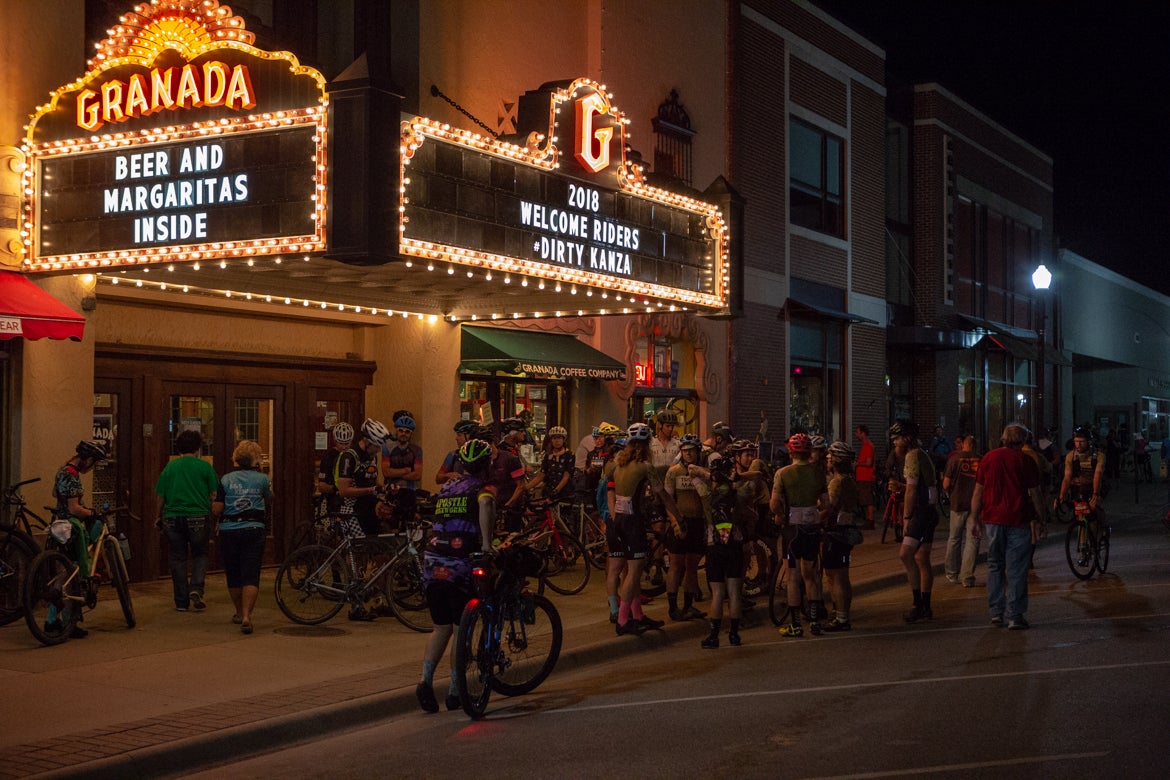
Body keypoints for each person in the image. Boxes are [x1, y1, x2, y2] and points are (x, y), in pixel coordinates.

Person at [415, 438, 497, 713]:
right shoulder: (481, 489)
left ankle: (425, 680)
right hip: (460, 564)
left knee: (440, 627)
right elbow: (485, 507)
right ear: (485, 465)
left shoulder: (448, 487)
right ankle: (454, 691)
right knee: (461, 629)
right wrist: (486, 544)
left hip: (432, 562)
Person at [607, 422, 680, 635]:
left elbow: (610, 495)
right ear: (646, 444)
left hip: (618, 521)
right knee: (634, 571)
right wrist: (677, 516)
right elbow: (663, 495)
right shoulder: (645, 467)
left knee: (630, 571)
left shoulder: (617, 466)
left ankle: (637, 615)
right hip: (632, 522)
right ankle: (623, 620)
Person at [970, 423, 1045, 630]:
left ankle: (996, 613)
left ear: (1003, 439)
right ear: (1022, 441)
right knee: (1017, 569)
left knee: (995, 565)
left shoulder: (988, 459)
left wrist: (974, 519)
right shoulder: (1025, 461)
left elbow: (978, 491)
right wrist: (1042, 518)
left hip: (993, 519)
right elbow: (1036, 493)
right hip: (1018, 519)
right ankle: (1015, 615)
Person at [49, 440, 110, 638]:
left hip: (59, 527)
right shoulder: (73, 476)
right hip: (72, 527)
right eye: (93, 463)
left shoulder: (62, 469)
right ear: (89, 459)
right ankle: (68, 621)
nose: (91, 468)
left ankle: (52, 621)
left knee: (63, 575)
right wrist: (90, 512)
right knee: (75, 572)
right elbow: (74, 508)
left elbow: (56, 496)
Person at [770, 432, 828, 637]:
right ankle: (814, 621)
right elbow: (827, 504)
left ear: (791, 451)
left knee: (793, 577)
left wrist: (780, 516)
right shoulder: (818, 473)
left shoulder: (783, 473)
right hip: (812, 527)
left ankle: (795, 625)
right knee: (811, 574)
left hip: (792, 529)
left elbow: (774, 503)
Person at [155, 429, 219, 612]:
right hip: (198, 516)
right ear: (198, 448)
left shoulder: (170, 467)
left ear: (179, 447)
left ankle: (181, 602)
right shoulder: (205, 467)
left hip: (172, 517)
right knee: (200, 554)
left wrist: (158, 516)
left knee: (177, 558)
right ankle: (196, 588)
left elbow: (160, 496)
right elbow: (214, 494)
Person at [214, 440, 272, 635]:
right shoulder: (262, 479)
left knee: (234, 572)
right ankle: (248, 615)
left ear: (236, 458)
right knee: (251, 573)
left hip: (229, 529)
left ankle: (238, 612)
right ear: (256, 459)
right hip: (254, 528)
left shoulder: (225, 479)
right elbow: (269, 498)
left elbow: (218, 508)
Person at [891, 420, 940, 623]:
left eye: (896, 441)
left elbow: (912, 490)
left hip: (920, 513)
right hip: (930, 512)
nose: (895, 445)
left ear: (905, 439)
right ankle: (926, 607)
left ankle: (917, 604)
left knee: (905, 555)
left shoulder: (911, 456)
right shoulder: (922, 454)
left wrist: (906, 518)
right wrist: (902, 487)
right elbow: (920, 486)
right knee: (922, 559)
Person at [698, 453, 747, 648]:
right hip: (735, 543)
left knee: (718, 593)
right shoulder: (739, 491)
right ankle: (734, 634)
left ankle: (714, 635)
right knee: (734, 591)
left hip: (714, 545)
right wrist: (738, 477)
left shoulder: (705, 493)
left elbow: (693, 473)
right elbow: (757, 478)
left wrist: (707, 473)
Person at [663, 434, 708, 622]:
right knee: (676, 565)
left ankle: (688, 605)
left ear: (698, 452)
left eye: (691, 451)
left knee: (692, 566)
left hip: (698, 523)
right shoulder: (673, 472)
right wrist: (674, 522)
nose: (688, 454)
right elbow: (668, 500)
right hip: (680, 522)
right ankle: (673, 607)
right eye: (684, 451)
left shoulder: (703, 472)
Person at [821, 441, 861, 631]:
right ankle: (840, 612)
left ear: (836, 460)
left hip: (837, 532)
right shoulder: (848, 480)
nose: (827, 459)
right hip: (845, 531)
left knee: (838, 575)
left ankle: (842, 618)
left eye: (830, 456)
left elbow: (830, 509)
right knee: (839, 574)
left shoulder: (838, 482)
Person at [337, 419, 389, 539]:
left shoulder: (372, 457)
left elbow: (375, 482)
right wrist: (370, 490)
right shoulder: (349, 457)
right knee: (357, 551)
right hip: (352, 511)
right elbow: (343, 491)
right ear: (366, 441)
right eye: (376, 446)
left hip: (369, 510)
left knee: (375, 549)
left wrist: (383, 491)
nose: (379, 450)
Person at [943, 434, 981, 587]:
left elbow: (946, 484)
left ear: (964, 445)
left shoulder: (954, 459)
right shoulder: (981, 460)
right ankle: (967, 576)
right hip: (975, 505)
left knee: (954, 538)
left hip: (957, 503)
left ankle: (952, 573)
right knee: (972, 540)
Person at [382, 412, 423, 531]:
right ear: (396, 430)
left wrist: (395, 472)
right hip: (391, 491)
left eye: (407, 432)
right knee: (390, 525)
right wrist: (406, 470)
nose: (403, 434)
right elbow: (386, 472)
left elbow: (417, 475)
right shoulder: (387, 448)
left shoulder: (417, 450)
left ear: (411, 434)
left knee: (408, 526)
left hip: (409, 492)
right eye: (401, 430)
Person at [491, 418, 529, 532]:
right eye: (521, 431)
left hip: (515, 500)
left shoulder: (514, 449)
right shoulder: (503, 451)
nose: (524, 434)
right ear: (513, 433)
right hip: (506, 501)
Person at [1059, 426, 1106, 514]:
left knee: (1094, 507)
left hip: (1097, 485)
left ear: (1088, 442)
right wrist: (1062, 494)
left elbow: (1098, 475)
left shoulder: (1099, 455)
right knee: (1079, 509)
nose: (1078, 445)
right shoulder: (1071, 456)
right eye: (1076, 441)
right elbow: (1067, 476)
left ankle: (1102, 523)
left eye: (1082, 442)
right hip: (1081, 486)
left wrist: (1095, 493)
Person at [315, 421, 353, 519]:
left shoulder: (353, 455)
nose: (344, 447)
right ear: (335, 441)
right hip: (334, 502)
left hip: (352, 502)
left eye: (347, 443)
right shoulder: (328, 457)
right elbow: (322, 486)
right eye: (340, 443)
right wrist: (335, 488)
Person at [527, 426, 575, 502]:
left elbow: (566, 476)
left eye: (559, 438)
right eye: (554, 438)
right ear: (551, 440)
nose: (557, 441)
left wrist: (556, 491)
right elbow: (541, 475)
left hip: (564, 492)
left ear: (563, 439)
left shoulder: (569, 455)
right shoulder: (547, 455)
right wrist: (525, 488)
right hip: (549, 490)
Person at [435, 420, 478, 486]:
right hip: (457, 494)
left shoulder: (481, 455)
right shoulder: (453, 455)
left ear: (469, 436)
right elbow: (438, 478)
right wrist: (447, 475)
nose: (456, 438)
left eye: (459, 435)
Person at [854, 425, 876, 529]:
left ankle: (870, 520)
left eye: (857, 432)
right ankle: (869, 520)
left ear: (863, 433)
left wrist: (857, 464)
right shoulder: (866, 445)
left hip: (866, 477)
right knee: (866, 499)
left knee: (868, 500)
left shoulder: (868, 446)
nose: (856, 435)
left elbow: (868, 462)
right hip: (863, 477)